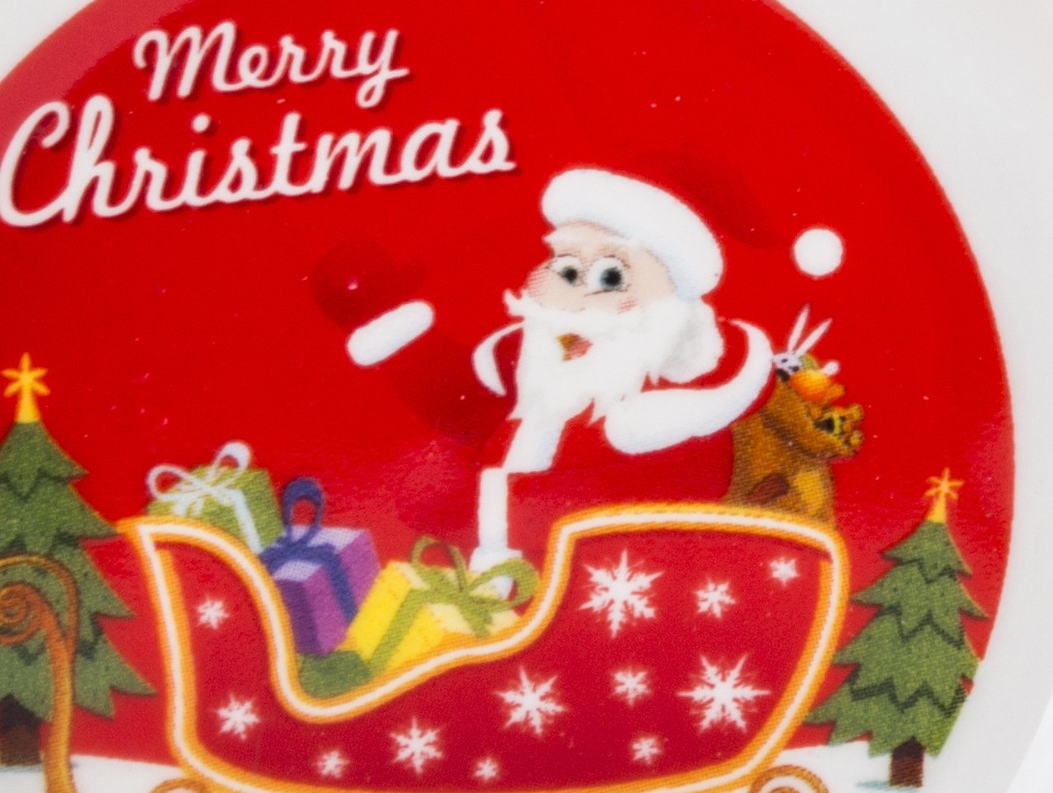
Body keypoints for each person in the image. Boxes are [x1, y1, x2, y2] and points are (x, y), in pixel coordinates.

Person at [323, 168, 772, 569]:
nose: (580, 294)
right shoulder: (535, 349)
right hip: (510, 562)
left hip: (624, 573)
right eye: (568, 268)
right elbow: (462, 404)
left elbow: (671, 497)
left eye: (612, 276)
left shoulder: (680, 380)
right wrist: (396, 335)